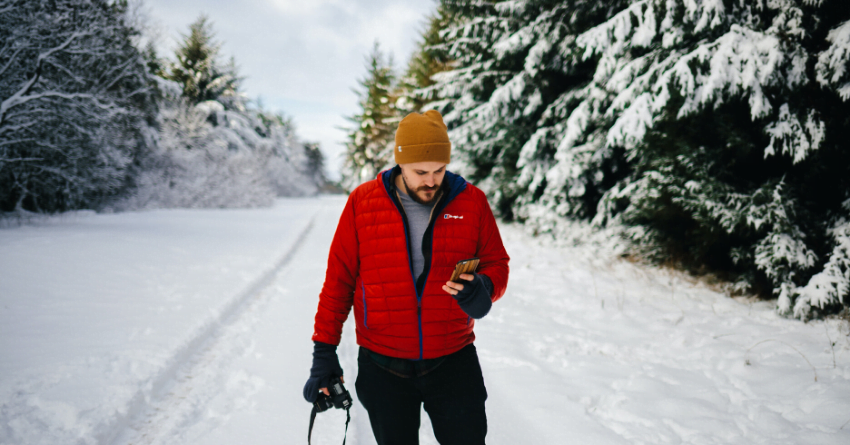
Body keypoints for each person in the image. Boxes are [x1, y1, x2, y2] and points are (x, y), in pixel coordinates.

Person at [304, 110, 510, 444]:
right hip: (382, 365)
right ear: (400, 163)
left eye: (439, 170)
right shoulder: (363, 203)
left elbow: (496, 263)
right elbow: (338, 283)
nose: (431, 180)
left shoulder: (471, 202)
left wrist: (484, 287)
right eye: (420, 172)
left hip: (453, 359)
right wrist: (323, 353)